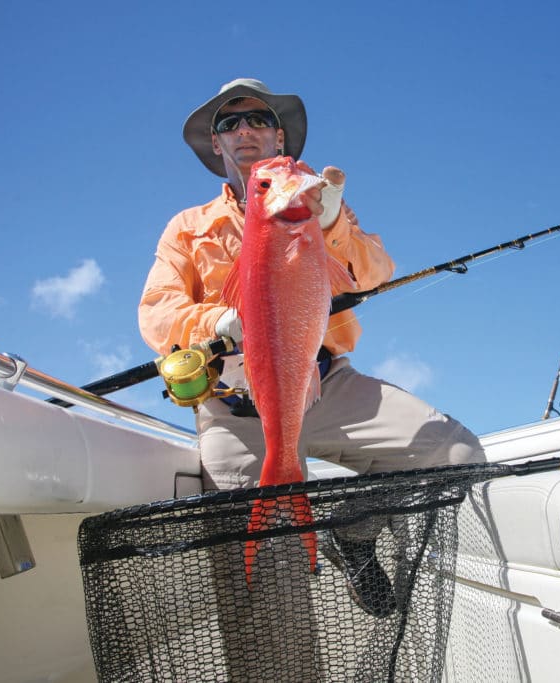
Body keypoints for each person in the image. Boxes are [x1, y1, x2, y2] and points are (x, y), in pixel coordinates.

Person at [138, 78, 485, 618]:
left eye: (258, 120)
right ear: (217, 146)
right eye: (230, 123)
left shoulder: (319, 206)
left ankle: (354, 529)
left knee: (455, 454)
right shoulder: (186, 228)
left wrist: (331, 222)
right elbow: (156, 312)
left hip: (324, 384)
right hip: (235, 408)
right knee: (267, 587)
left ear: (281, 140)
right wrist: (220, 319)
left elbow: (374, 272)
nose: (245, 129)